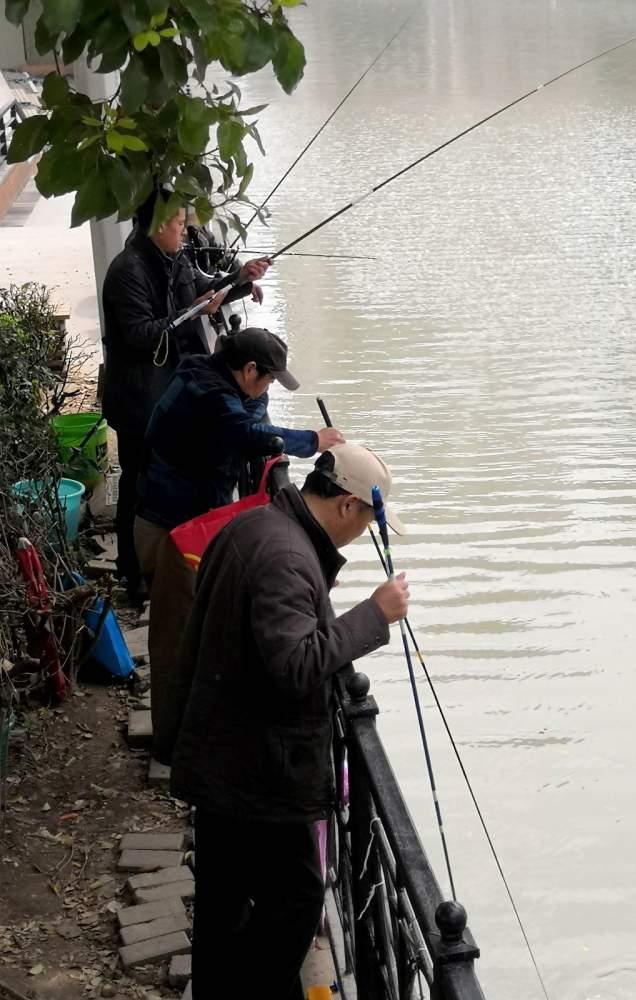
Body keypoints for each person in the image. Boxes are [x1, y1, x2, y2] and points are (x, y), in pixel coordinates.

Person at [160, 442, 408, 1000]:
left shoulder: (262, 527)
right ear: (346, 506)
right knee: (294, 900)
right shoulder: (287, 556)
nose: (365, 531)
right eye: (369, 520)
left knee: (225, 903)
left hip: (226, 754)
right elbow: (295, 665)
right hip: (258, 772)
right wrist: (374, 614)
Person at [134, 327, 345, 757]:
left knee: (196, 633)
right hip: (169, 530)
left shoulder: (210, 375)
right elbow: (248, 433)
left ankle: (192, 735)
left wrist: (265, 417)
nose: (267, 388)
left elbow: (252, 422)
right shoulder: (210, 395)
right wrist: (312, 441)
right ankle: (170, 748)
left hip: (187, 522)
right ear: (248, 369)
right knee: (174, 640)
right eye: (266, 379)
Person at [100, 187, 269, 602]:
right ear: (159, 225)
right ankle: (132, 574)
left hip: (171, 394)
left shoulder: (172, 258)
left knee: (172, 481)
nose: (185, 230)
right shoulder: (128, 270)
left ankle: (176, 562)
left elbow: (203, 291)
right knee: (137, 484)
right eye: (179, 224)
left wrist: (241, 281)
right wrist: (193, 311)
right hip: (139, 398)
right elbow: (142, 334)